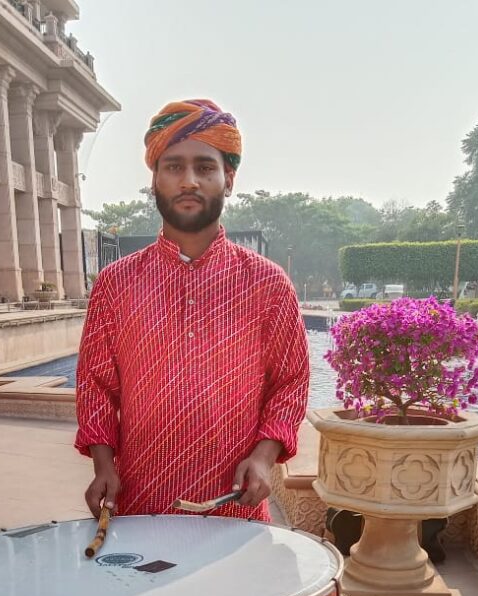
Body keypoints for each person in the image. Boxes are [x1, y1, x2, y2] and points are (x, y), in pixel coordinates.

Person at [75, 98, 310, 523]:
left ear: (229, 178)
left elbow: (290, 382)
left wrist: (264, 456)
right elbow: (95, 385)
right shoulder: (116, 284)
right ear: (155, 179)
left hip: (233, 508)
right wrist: (103, 465)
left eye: (205, 167)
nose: (189, 180)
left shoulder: (268, 284)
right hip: (139, 506)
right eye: (174, 167)